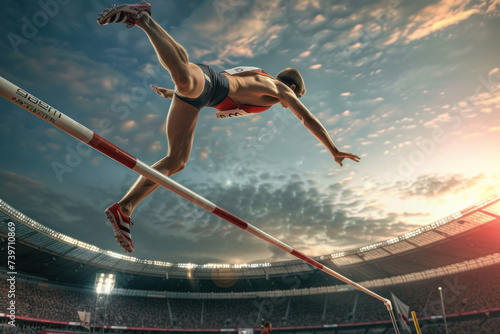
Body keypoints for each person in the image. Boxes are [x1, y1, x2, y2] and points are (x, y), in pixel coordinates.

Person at [97, 1, 361, 253]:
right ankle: (141, 19)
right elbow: (307, 118)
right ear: (293, 88)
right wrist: (333, 149)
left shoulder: (260, 78)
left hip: (201, 97)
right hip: (211, 87)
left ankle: (125, 209)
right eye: (296, 97)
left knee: (177, 160)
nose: (291, 103)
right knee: (184, 75)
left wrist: (172, 94)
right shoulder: (279, 88)